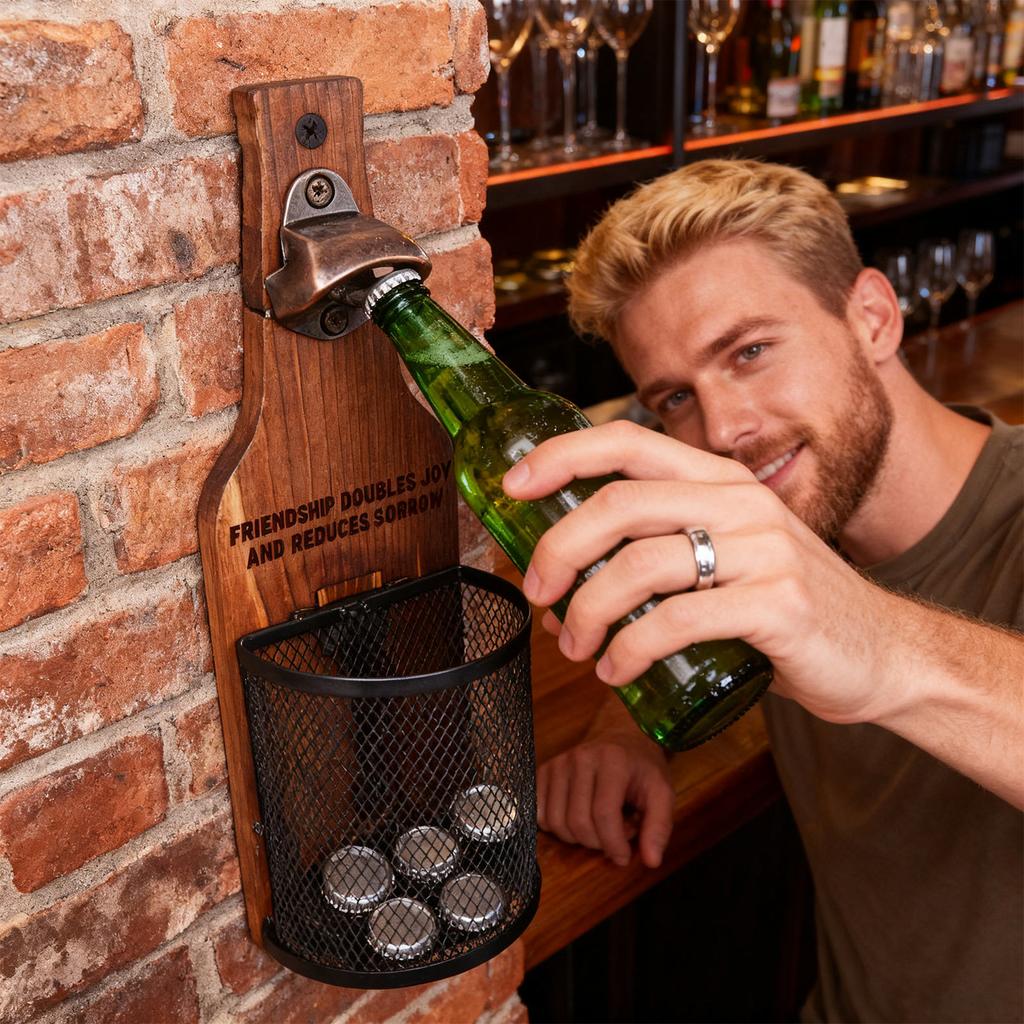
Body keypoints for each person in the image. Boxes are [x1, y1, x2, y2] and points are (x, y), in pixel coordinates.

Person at [500, 159, 1024, 1023]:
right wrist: (627, 730)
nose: (723, 431)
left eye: (749, 351)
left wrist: (876, 641)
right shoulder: (773, 529)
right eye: (674, 398)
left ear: (872, 319)